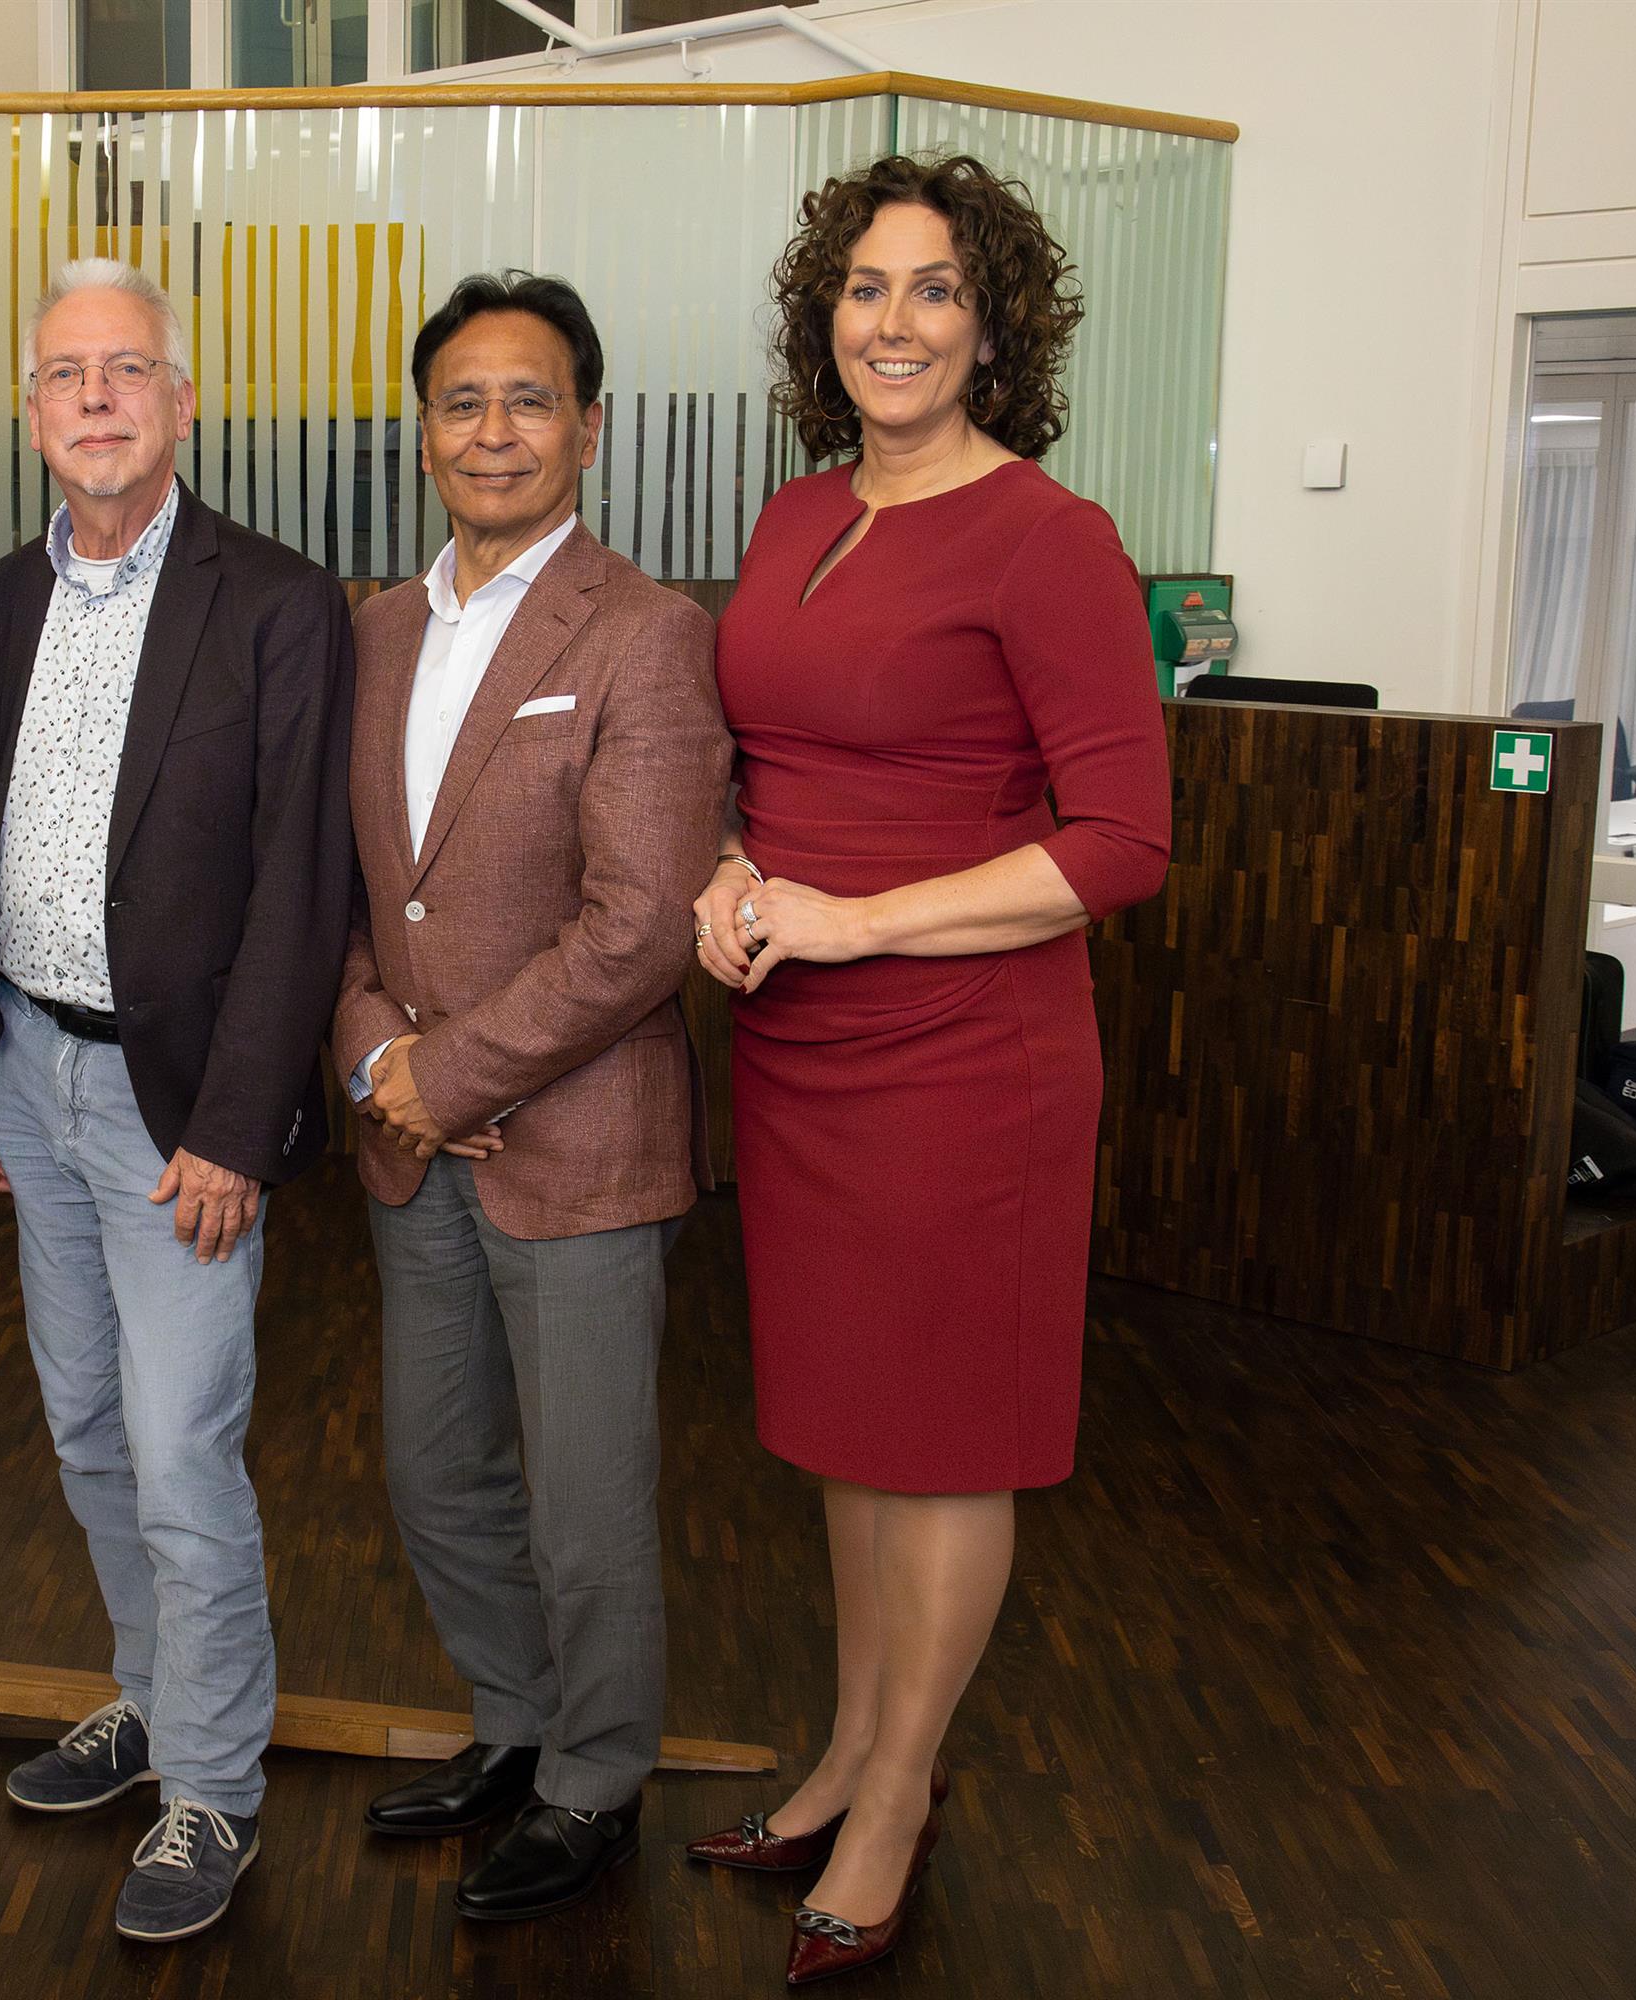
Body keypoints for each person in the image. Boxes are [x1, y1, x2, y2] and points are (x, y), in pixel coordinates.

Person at [681, 153, 1170, 1984]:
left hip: (971, 1057)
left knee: (946, 1443)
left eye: (936, 289)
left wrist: (856, 921)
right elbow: (760, 758)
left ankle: (899, 1794)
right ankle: (848, 1749)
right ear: (830, 317)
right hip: (800, 1050)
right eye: (867, 287)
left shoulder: (1052, 537)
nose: (895, 320)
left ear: (995, 326)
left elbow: (1122, 841)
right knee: (851, 1435)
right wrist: (737, 877)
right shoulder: (799, 513)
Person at [0, 259, 353, 1945]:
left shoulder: (277, 602)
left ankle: (213, 1789)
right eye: (64, 375)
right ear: (31, 412)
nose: (96, 399)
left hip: (184, 1105)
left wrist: (238, 1126)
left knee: (184, 1450)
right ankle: (146, 1695)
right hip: (31, 1074)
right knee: (88, 1425)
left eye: (128, 371)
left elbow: (301, 886)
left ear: (184, 400)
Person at [335, 272, 730, 1922]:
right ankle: (514, 1724)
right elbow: (348, 896)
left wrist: (452, 1073)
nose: (493, 430)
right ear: (422, 433)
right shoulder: (375, 628)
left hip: (576, 1144)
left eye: (529, 400)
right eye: (461, 402)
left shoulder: (645, 632)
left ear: (586, 425)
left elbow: (643, 928)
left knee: (584, 1503)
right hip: (410, 1144)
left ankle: (594, 1777)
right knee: (439, 1474)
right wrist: (380, 1062)